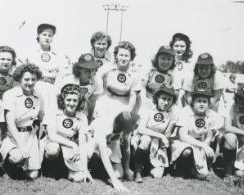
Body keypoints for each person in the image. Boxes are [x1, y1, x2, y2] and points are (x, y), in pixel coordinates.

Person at [89, 41, 139, 192]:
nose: (123, 57)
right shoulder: (108, 69)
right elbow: (97, 82)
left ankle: (126, 167)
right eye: (121, 54)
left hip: (122, 105)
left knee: (125, 137)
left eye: (127, 55)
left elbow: (133, 96)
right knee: (103, 134)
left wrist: (128, 112)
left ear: (131, 57)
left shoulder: (134, 74)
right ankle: (94, 162)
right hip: (105, 102)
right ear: (116, 56)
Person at [0, 63, 44, 180]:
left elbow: (42, 117)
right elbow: (10, 123)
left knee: (33, 175)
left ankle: (22, 166)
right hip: (13, 136)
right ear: (19, 79)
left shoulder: (38, 94)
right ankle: (7, 165)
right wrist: (22, 145)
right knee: (17, 157)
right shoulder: (10, 94)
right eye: (26, 79)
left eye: (33, 79)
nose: (30, 82)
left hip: (30, 136)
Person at [41, 84, 93, 182]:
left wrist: (85, 169)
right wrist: (73, 144)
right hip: (52, 143)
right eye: (68, 100)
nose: (71, 103)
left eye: (75, 100)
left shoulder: (82, 117)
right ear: (63, 100)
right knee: (53, 149)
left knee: (79, 178)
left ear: (79, 102)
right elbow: (52, 136)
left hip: (68, 147)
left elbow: (82, 143)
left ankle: (67, 170)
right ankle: (48, 169)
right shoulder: (54, 111)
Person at [170, 88, 223, 180]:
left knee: (205, 157)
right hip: (183, 142)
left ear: (208, 103)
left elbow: (209, 136)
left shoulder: (212, 115)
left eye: (204, 101)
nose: (202, 104)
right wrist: (202, 145)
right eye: (199, 101)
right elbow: (182, 136)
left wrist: (205, 147)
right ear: (193, 102)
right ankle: (180, 169)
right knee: (187, 151)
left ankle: (194, 169)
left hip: (200, 142)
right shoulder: (185, 111)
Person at [132, 84, 178, 182]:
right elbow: (141, 129)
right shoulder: (148, 109)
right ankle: (138, 171)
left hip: (157, 142)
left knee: (157, 175)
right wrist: (161, 135)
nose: (166, 102)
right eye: (163, 98)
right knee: (146, 139)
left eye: (169, 99)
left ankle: (148, 164)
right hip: (142, 137)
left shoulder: (173, 114)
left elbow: (168, 133)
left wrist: (165, 142)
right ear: (157, 98)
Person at [27, 23, 71, 110]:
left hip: (52, 88)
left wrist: (56, 89)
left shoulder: (59, 55)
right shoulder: (30, 53)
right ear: (38, 35)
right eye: (44, 34)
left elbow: (62, 74)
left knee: (49, 113)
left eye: (50, 35)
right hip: (34, 87)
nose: (47, 37)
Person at [217, 85, 244, 179]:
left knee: (240, 174)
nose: (242, 104)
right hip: (231, 135)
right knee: (231, 139)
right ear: (236, 98)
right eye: (240, 100)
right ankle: (228, 170)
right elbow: (227, 127)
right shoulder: (231, 105)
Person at [55, 53, 102, 122]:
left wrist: (89, 118)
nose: (90, 73)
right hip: (66, 108)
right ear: (79, 69)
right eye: (87, 70)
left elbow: (92, 102)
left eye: (93, 70)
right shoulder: (68, 81)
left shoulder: (97, 81)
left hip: (82, 110)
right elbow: (59, 100)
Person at [170, 33, 193, 107]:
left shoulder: (191, 65)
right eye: (176, 46)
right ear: (172, 46)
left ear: (187, 47)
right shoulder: (167, 63)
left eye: (182, 46)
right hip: (169, 97)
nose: (179, 49)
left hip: (185, 99)